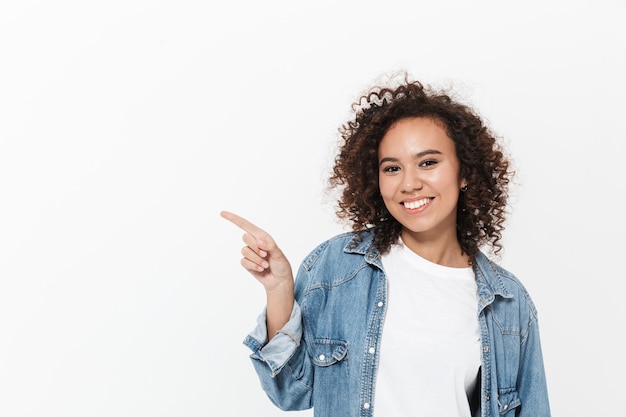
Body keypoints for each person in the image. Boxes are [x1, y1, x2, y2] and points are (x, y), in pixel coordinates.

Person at [220, 73, 551, 417]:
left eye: (428, 162)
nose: (409, 183)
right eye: (392, 168)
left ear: (464, 171)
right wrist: (279, 292)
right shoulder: (338, 266)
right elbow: (290, 392)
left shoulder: (507, 302)